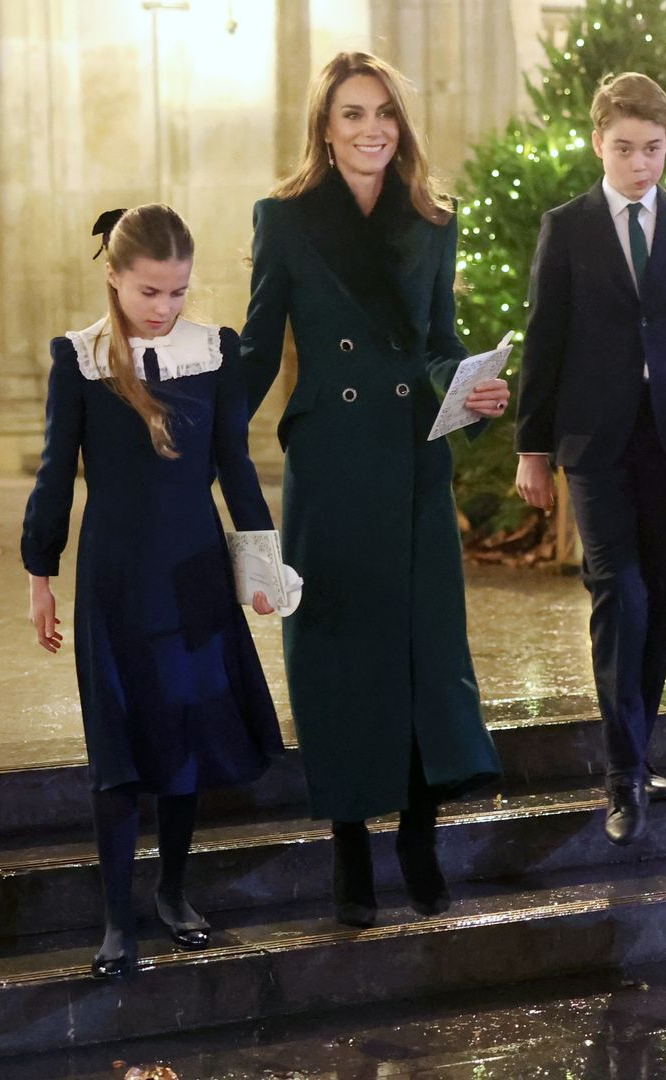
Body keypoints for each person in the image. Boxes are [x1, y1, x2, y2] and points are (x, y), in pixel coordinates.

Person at [240, 51, 507, 928]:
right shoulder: (284, 220)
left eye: (385, 113)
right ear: (325, 125)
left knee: (425, 647)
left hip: (411, 462)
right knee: (337, 650)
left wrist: (472, 389)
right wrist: (186, 415)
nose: (372, 130)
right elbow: (257, 346)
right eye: (353, 114)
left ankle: (418, 837)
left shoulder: (433, 218)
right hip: (330, 462)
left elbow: (435, 343)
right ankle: (351, 844)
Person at [23, 204, 289, 979]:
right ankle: (115, 921)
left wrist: (262, 571)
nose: (163, 307)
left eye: (176, 292)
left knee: (184, 735)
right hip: (113, 574)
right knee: (118, 743)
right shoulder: (81, 359)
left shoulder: (214, 352)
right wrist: (39, 575)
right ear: (113, 275)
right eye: (148, 291)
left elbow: (236, 467)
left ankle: (172, 893)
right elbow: (52, 474)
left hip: (195, 571)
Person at [513, 73, 666, 845]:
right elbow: (544, 340)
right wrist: (532, 449)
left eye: (654, 149)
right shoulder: (567, 227)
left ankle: (637, 751)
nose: (641, 163)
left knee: (665, 588)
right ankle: (622, 775)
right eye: (625, 148)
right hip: (592, 441)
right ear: (597, 142)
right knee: (622, 589)